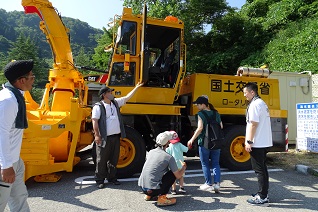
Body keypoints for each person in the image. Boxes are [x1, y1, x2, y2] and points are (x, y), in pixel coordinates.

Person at [92, 82, 143, 189]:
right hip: (104, 138)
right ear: (104, 94)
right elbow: (95, 121)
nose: (112, 93)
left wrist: (137, 87)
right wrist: (97, 135)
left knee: (114, 159)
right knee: (101, 160)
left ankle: (112, 177)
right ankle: (100, 180)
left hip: (115, 136)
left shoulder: (115, 103)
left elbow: (127, 97)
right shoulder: (98, 107)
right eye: (110, 92)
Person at [0, 60, 35, 212]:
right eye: (31, 77)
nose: (34, 79)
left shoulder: (17, 96)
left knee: (19, 197)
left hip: (15, 160)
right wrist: (6, 166)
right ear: (22, 81)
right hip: (5, 163)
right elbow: (1, 134)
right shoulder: (7, 100)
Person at [138, 131, 187, 207]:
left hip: (142, 187)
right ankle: (162, 198)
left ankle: (149, 196)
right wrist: (183, 168)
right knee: (172, 174)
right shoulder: (169, 157)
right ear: (167, 143)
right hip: (154, 190)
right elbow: (178, 176)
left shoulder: (151, 152)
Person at [187, 96, 223, 193]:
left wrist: (192, 139)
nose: (197, 106)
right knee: (216, 163)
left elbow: (200, 128)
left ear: (203, 105)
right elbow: (221, 126)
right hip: (216, 142)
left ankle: (208, 184)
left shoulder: (201, 114)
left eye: (198, 104)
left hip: (204, 142)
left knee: (205, 163)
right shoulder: (216, 113)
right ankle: (217, 184)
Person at [243, 82, 271, 206]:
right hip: (263, 141)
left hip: (257, 142)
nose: (245, 95)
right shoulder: (262, 103)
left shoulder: (255, 104)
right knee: (263, 169)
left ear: (252, 92)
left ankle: (262, 197)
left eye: (245, 93)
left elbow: (253, 124)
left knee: (259, 170)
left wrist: (249, 141)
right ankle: (263, 193)